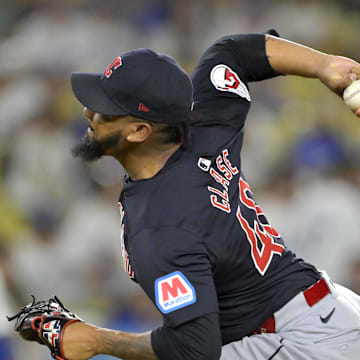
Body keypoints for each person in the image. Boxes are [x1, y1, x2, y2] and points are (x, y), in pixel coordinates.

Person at [54, 31, 360, 359]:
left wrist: (100, 341)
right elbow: (233, 52)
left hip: (301, 341)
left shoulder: (161, 228)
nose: (88, 112)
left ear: (139, 131)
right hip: (323, 312)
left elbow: (196, 349)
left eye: (104, 109)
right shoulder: (205, 122)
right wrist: (323, 64)